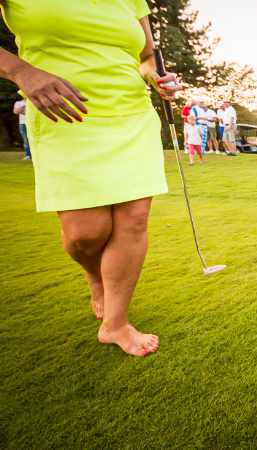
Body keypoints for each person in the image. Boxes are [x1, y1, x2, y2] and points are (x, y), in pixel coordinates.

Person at [0, 0, 180, 356]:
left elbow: (146, 55)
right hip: (63, 112)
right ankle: (95, 276)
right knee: (86, 233)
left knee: (133, 218)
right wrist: (21, 71)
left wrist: (155, 77)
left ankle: (115, 324)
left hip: (129, 111)